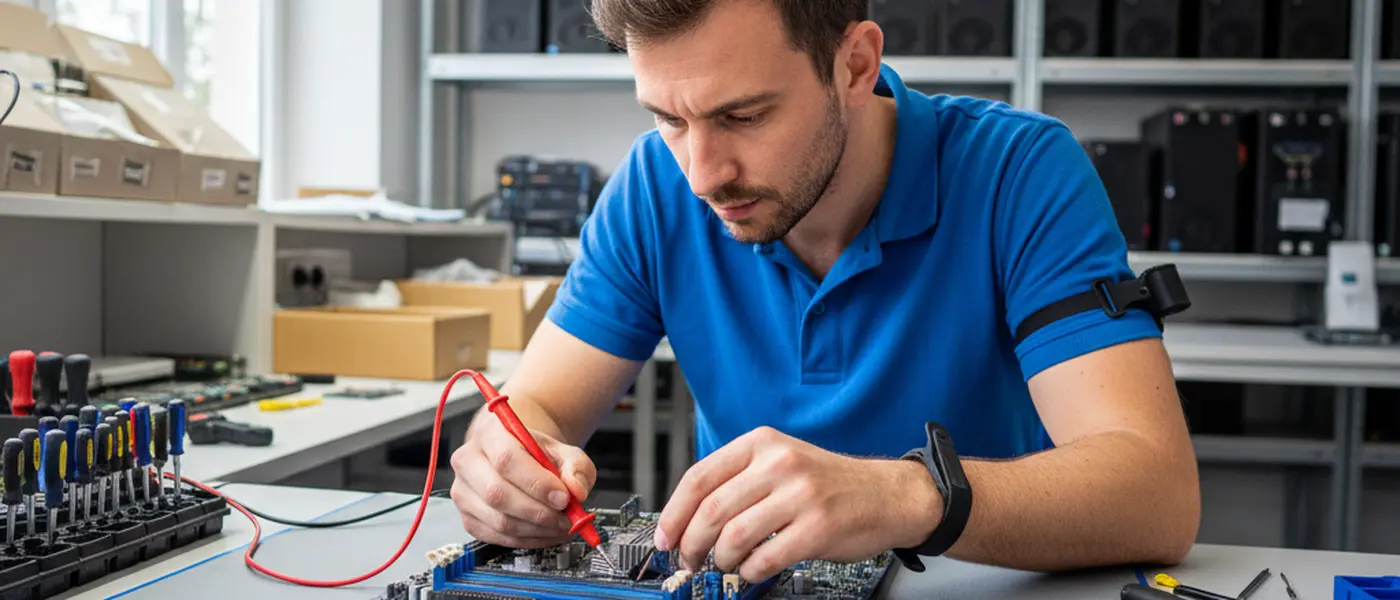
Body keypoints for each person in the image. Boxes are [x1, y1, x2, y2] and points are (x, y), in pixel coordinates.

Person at [449, 0, 1201, 584]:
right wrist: (504, 463)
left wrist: (905, 498)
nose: (702, 175)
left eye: (743, 116)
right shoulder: (654, 187)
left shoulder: (1020, 173)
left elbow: (1156, 493)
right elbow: (535, 411)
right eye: (668, 118)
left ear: (854, 64)